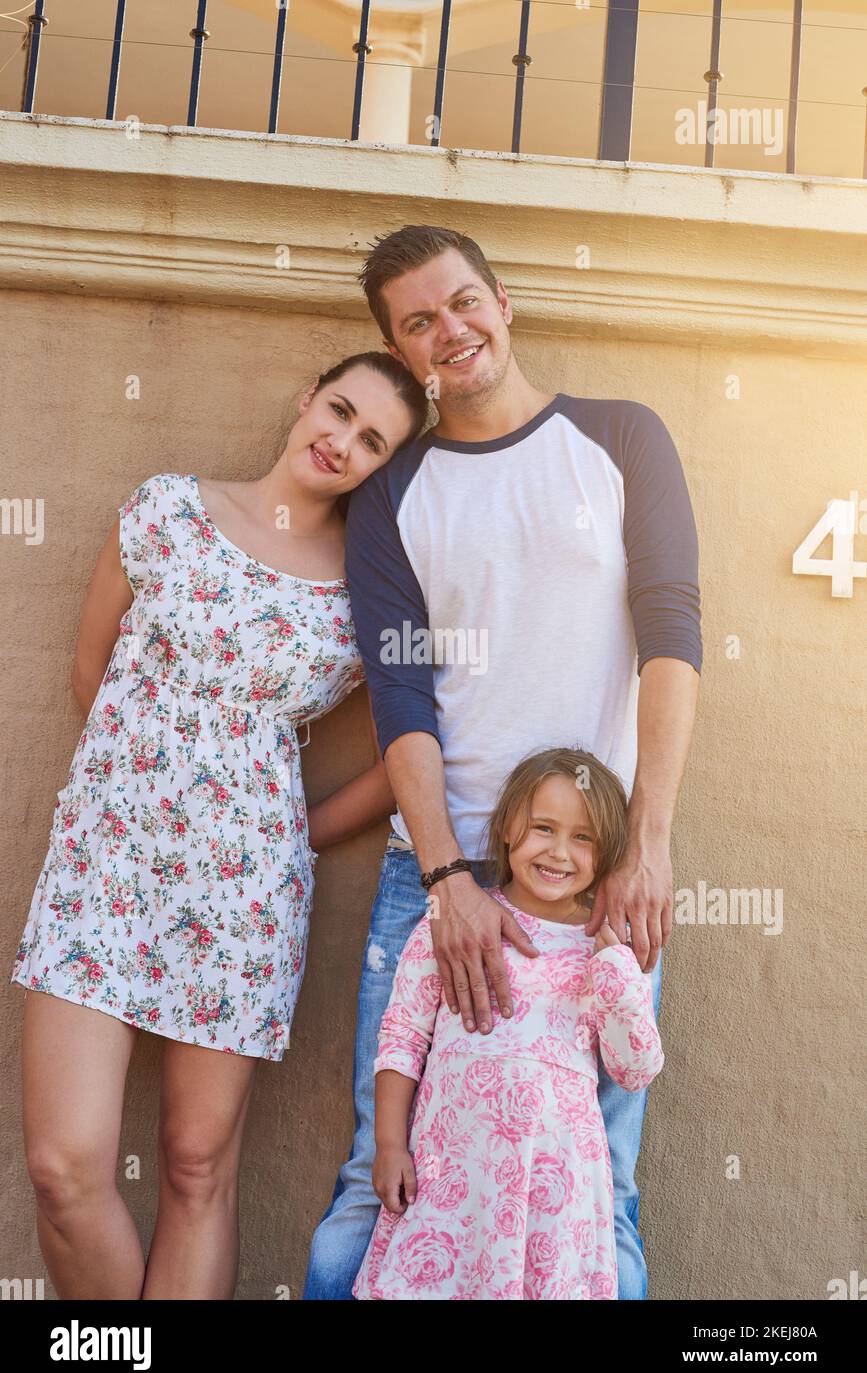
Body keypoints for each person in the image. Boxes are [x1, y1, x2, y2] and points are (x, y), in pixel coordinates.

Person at [304, 224, 701, 1301]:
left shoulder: (622, 437)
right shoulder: (394, 494)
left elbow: (671, 632)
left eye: (462, 301)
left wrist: (648, 846)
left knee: (598, 1189)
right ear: (402, 348)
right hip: (434, 882)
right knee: (376, 1184)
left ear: (505, 299)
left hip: (600, 882)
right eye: (418, 323)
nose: (451, 330)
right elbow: (403, 697)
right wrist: (443, 877)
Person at [10, 351, 428, 1300]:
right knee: (64, 1168)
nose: (341, 442)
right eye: (339, 411)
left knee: (198, 1168)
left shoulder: (370, 591)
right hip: (101, 868)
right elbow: (91, 678)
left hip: (245, 899)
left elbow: (414, 745)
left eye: (372, 442)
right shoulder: (165, 509)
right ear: (307, 398)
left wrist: (288, 834)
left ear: (381, 468)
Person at [352, 748, 664, 1300]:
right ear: (506, 830)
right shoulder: (455, 926)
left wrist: (615, 966)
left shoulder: (603, 951)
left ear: (608, 852)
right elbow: (402, 1035)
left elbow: (635, 1069)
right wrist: (388, 1145)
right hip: (454, 1176)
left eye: (584, 838)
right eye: (543, 828)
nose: (559, 852)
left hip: (553, 1196)